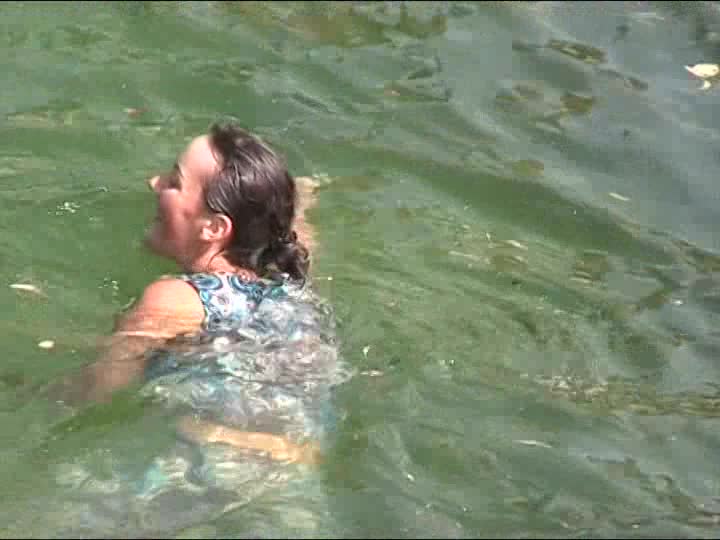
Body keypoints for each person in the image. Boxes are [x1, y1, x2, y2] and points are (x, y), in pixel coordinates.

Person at [53, 121, 345, 466]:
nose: (154, 182)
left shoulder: (174, 299)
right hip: (295, 470)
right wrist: (300, 199)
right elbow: (296, 234)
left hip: (210, 469)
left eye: (174, 183)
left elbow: (98, 389)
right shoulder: (292, 282)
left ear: (214, 228)